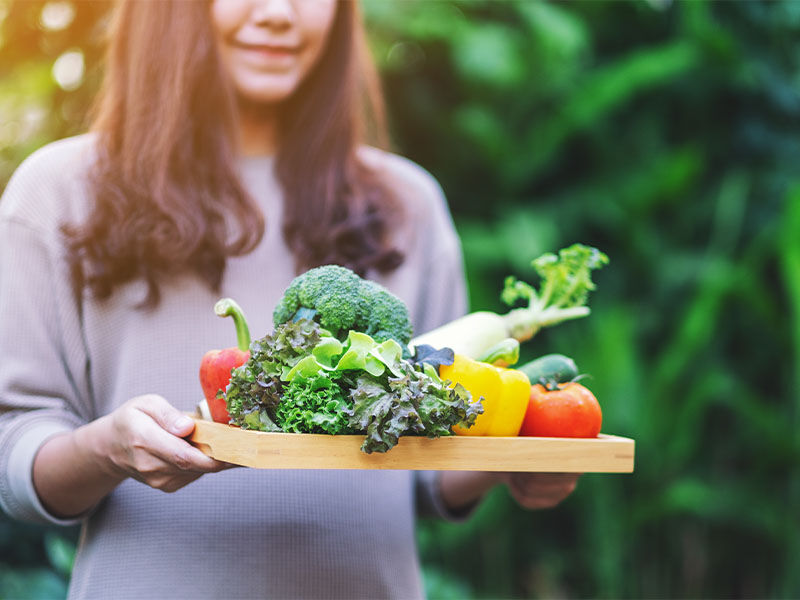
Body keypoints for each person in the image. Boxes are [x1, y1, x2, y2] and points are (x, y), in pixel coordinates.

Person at [0, 1, 580, 598]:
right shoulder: (59, 194)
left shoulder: (408, 204)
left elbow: (429, 468)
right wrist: (106, 449)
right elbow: (14, 455)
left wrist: (515, 460)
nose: (279, 13)